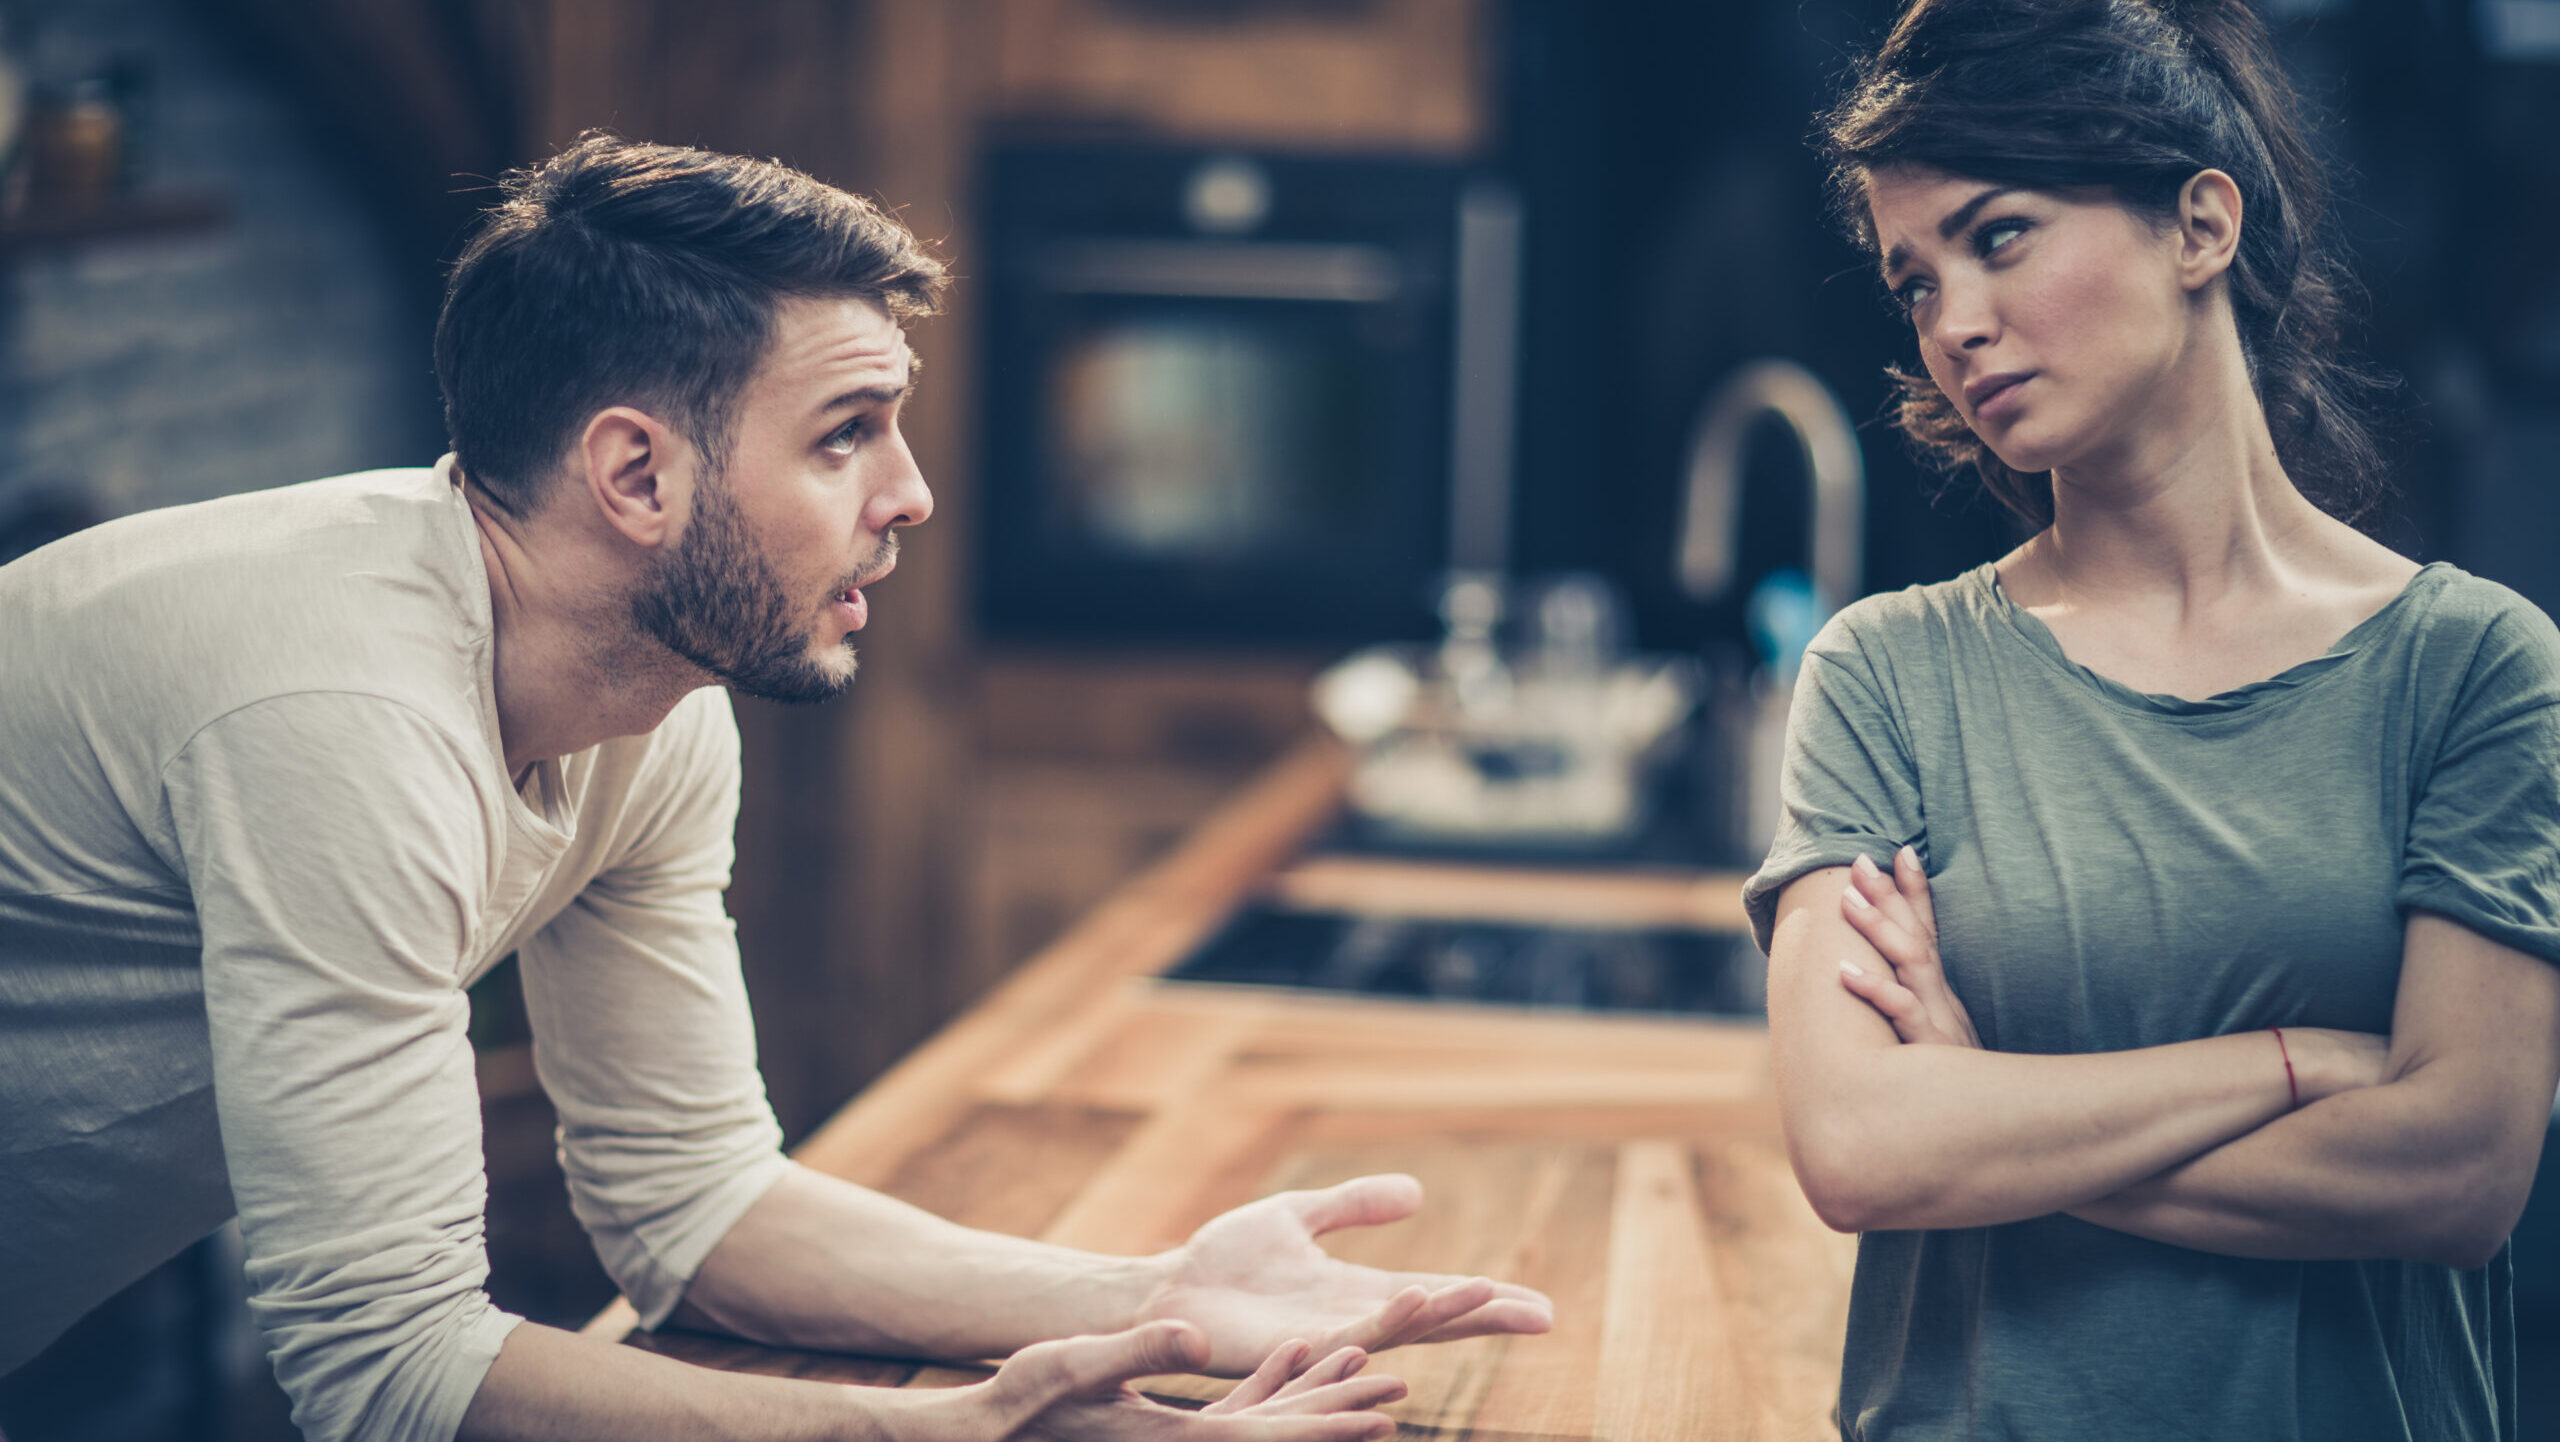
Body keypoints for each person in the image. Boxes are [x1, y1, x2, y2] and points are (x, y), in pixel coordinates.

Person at [0, 135, 1551, 1442]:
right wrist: (932, 1427)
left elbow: (692, 1206)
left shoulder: (650, 700)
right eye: (845, 435)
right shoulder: (340, 709)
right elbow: (385, 1369)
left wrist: (1153, 1296)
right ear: (636, 476)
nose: (912, 493)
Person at [1742, 0, 2560, 1437]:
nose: (1958, 324)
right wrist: (2293, 1068)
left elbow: (2459, 1177)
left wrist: (1989, 1104)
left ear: (2201, 225)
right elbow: (1862, 1145)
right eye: (1915, 281)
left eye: (2000, 236)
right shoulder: (1887, 675)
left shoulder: (2477, 670)